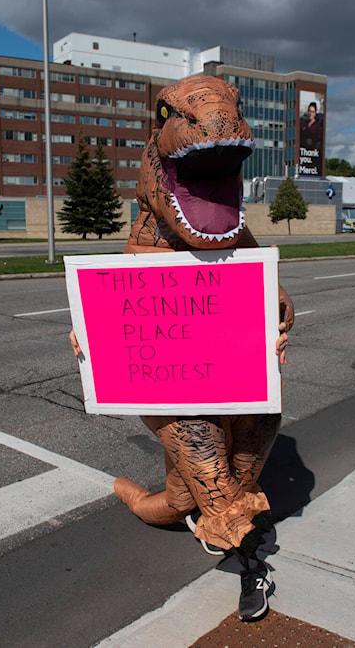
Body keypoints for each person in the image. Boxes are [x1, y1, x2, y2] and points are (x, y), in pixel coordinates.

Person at [69, 75, 294, 622]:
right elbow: (113, 307)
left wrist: (281, 319)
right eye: (175, 113)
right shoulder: (145, 239)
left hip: (233, 379)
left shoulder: (233, 235)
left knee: (253, 435)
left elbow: (271, 300)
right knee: (204, 453)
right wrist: (88, 335)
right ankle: (250, 566)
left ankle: (176, 507)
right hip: (172, 385)